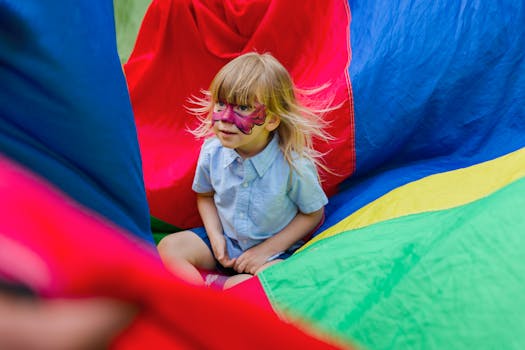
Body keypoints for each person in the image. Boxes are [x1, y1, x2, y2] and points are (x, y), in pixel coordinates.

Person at [158, 52, 331, 289]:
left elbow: (313, 213)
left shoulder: (294, 165)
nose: (225, 119)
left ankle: (227, 289)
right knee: (169, 247)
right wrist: (216, 236)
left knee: (272, 281)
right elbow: (205, 195)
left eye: (243, 108)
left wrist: (266, 251)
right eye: (221, 104)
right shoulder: (212, 152)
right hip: (225, 244)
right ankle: (200, 300)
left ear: (271, 120)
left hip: (271, 256)